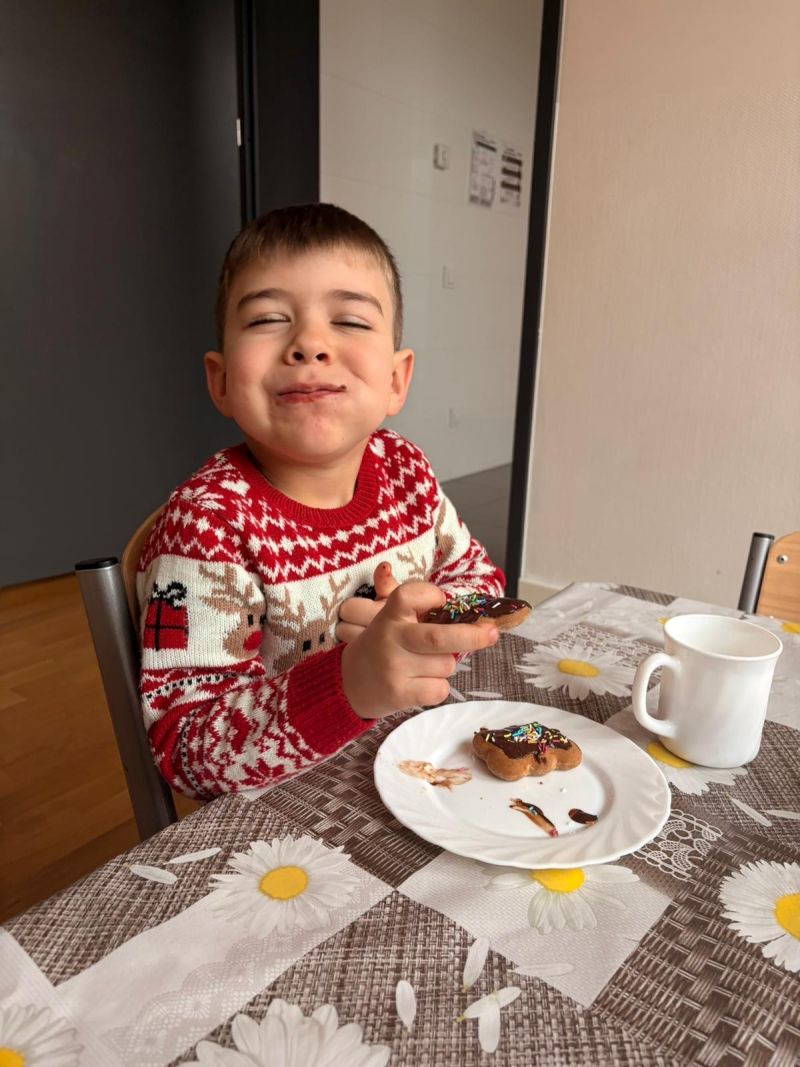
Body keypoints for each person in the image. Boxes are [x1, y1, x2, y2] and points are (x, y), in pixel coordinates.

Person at [138, 203, 505, 798]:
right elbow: (185, 751)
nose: (309, 343)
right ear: (221, 380)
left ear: (396, 379)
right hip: (292, 809)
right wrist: (348, 682)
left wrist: (417, 627)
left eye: (350, 321)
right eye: (267, 319)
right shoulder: (206, 524)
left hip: (422, 769)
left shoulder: (404, 469)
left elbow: (480, 580)